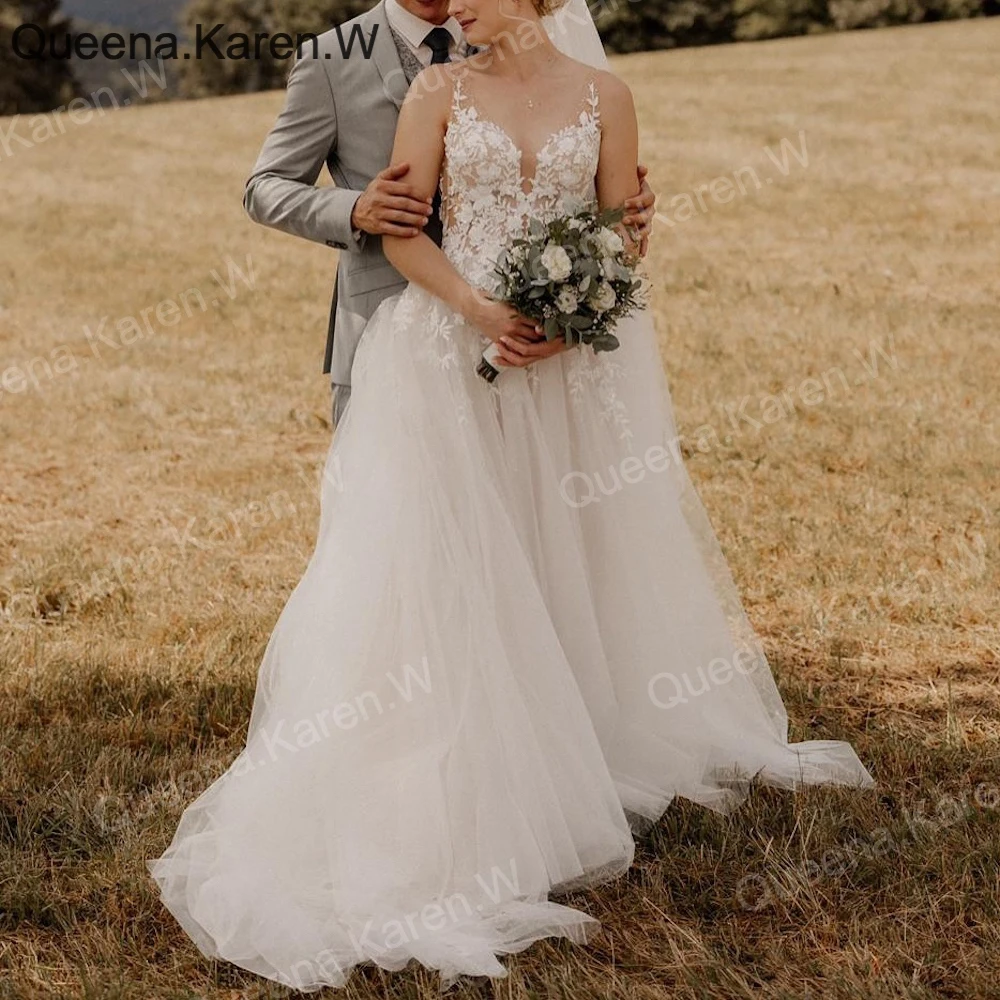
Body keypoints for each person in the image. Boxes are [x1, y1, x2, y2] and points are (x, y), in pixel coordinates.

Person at [150, 0, 874, 991]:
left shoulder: (603, 93)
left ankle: (573, 734)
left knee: (565, 541)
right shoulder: (393, 74)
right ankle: (459, 758)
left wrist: (582, 301)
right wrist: (446, 280)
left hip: (563, 369)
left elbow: (618, 232)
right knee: (433, 560)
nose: (455, 2)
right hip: (431, 347)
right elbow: (300, 195)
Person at [243, 0, 656, 426]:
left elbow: (566, 166)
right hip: (395, 330)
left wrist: (620, 203)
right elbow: (264, 187)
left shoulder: (498, 28)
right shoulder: (330, 58)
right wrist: (355, 209)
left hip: (538, 335)